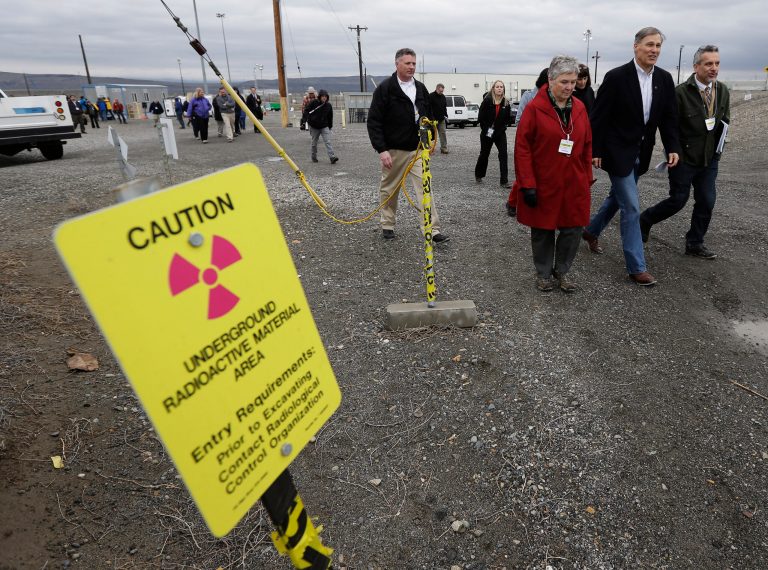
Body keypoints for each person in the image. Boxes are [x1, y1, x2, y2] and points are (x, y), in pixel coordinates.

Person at [582, 27, 681, 286]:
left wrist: (672, 147)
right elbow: (599, 118)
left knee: (618, 197)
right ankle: (636, 266)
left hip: (642, 153)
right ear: (636, 46)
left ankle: (591, 231)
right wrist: (595, 151)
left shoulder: (665, 79)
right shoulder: (616, 77)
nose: (654, 50)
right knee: (631, 206)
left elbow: (669, 118)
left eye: (658, 45)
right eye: (649, 44)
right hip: (617, 152)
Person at [640, 45, 730, 259]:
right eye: (708, 63)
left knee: (707, 201)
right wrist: (674, 152)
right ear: (696, 66)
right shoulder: (680, 93)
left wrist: (718, 150)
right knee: (678, 200)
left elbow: (724, 122)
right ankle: (645, 219)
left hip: (709, 159)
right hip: (684, 158)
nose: (714, 68)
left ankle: (695, 243)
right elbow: (670, 127)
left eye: (717, 63)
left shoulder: (723, 91)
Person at [515, 55, 593, 293]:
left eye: (573, 81)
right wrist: (527, 184)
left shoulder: (579, 108)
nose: (570, 87)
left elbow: (587, 143)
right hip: (543, 180)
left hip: (574, 180)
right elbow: (522, 148)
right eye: (564, 82)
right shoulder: (535, 109)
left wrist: (587, 176)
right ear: (550, 80)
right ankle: (543, 273)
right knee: (543, 229)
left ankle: (562, 271)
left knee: (573, 228)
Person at [367, 47, 449, 242]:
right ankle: (387, 224)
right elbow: (374, 121)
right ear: (397, 64)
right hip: (393, 150)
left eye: (414, 63)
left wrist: (428, 140)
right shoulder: (385, 89)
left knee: (425, 187)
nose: (412, 67)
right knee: (389, 189)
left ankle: (432, 229)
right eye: (408, 63)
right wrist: (382, 150)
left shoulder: (420, 89)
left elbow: (426, 116)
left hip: (417, 149)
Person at [505, 68, 549, 217]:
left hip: (547, 144)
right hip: (531, 143)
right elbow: (519, 119)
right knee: (525, 175)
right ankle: (512, 202)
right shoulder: (529, 96)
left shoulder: (555, 97)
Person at [474, 80, 512, 188]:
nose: (499, 88)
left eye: (501, 87)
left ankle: (504, 181)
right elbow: (481, 118)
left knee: (503, 155)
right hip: (487, 133)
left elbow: (507, 120)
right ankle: (479, 174)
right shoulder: (487, 101)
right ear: (493, 89)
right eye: (497, 87)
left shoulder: (506, 102)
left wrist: (501, 129)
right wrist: (487, 130)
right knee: (484, 154)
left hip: (500, 133)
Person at [303, 89, 338, 164]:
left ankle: (332, 157)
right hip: (314, 126)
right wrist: (305, 120)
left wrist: (330, 126)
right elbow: (306, 111)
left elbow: (330, 117)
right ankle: (314, 156)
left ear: (327, 97)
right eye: (323, 96)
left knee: (328, 141)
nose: (324, 98)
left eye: (325, 96)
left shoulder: (328, 106)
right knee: (314, 143)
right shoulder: (314, 103)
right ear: (319, 97)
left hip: (324, 126)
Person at [429, 83, 449, 154]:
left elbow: (444, 107)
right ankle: (430, 149)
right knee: (432, 135)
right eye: (440, 91)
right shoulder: (430, 96)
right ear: (437, 89)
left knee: (443, 133)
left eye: (442, 91)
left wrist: (446, 115)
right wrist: (431, 118)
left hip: (441, 119)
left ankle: (444, 148)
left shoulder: (443, 97)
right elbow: (429, 108)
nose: (441, 92)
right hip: (432, 120)